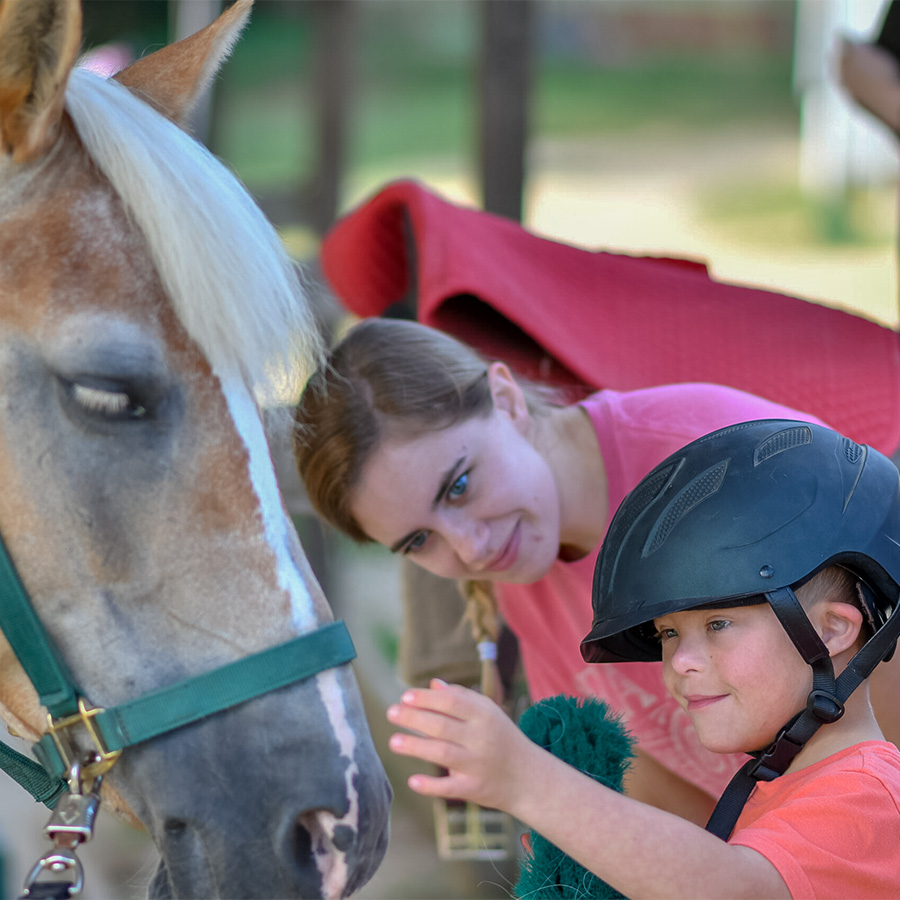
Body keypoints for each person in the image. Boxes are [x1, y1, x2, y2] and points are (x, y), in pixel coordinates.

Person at [292, 317, 844, 825]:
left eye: (459, 485)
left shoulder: (714, 461)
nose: (470, 548)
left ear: (506, 400)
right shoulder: (521, 571)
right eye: (419, 539)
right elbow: (653, 787)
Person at [386, 419, 900, 899]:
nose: (679, 662)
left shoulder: (870, 794)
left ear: (831, 630)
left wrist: (530, 783)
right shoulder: (776, 794)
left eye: (718, 624)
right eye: (669, 633)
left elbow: (735, 890)